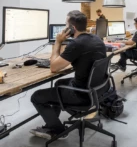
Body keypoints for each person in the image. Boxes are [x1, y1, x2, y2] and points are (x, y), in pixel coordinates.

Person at [30, 10, 109, 140]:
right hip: (97, 90)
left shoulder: (76, 44)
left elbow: (54, 67)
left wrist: (58, 42)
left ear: (72, 28)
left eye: (66, 25)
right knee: (59, 83)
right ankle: (52, 123)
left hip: (81, 94)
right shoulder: (96, 39)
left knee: (36, 96)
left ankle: (58, 131)